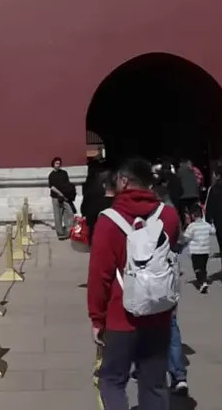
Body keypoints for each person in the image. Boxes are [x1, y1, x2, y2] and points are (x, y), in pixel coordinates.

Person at [88, 158, 181, 410]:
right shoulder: (169, 216)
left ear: (124, 181)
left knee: (112, 381)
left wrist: (97, 319)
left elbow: (99, 275)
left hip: (120, 316)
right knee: (154, 384)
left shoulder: (108, 220)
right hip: (159, 313)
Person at [185, 206, 215, 293]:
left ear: (193, 216)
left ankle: (202, 282)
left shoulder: (191, 226)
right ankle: (204, 280)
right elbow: (213, 231)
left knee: (197, 268)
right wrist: (213, 224)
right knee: (203, 267)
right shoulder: (206, 225)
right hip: (205, 251)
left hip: (195, 251)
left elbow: (186, 237)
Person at [48, 157, 77, 241]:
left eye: (59, 163)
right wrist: (60, 193)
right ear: (53, 164)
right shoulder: (51, 175)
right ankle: (60, 233)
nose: (58, 165)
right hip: (56, 197)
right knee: (58, 215)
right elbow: (52, 187)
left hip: (65, 197)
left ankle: (68, 231)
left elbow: (68, 183)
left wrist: (68, 193)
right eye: (56, 163)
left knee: (69, 213)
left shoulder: (64, 173)